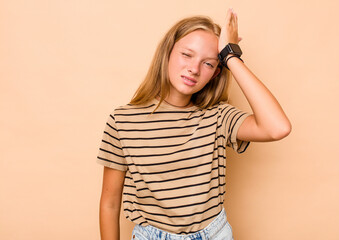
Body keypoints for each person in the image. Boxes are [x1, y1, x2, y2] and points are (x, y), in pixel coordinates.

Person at [97, 8, 291, 240]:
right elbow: (109, 204)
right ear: (167, 52)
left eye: (208, 64)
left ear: (217, 73)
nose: (194, 69)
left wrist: (231, 56)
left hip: (214, 234)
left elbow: (278, 127)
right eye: (186, 55)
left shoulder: (218, 117)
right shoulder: (123, 121)